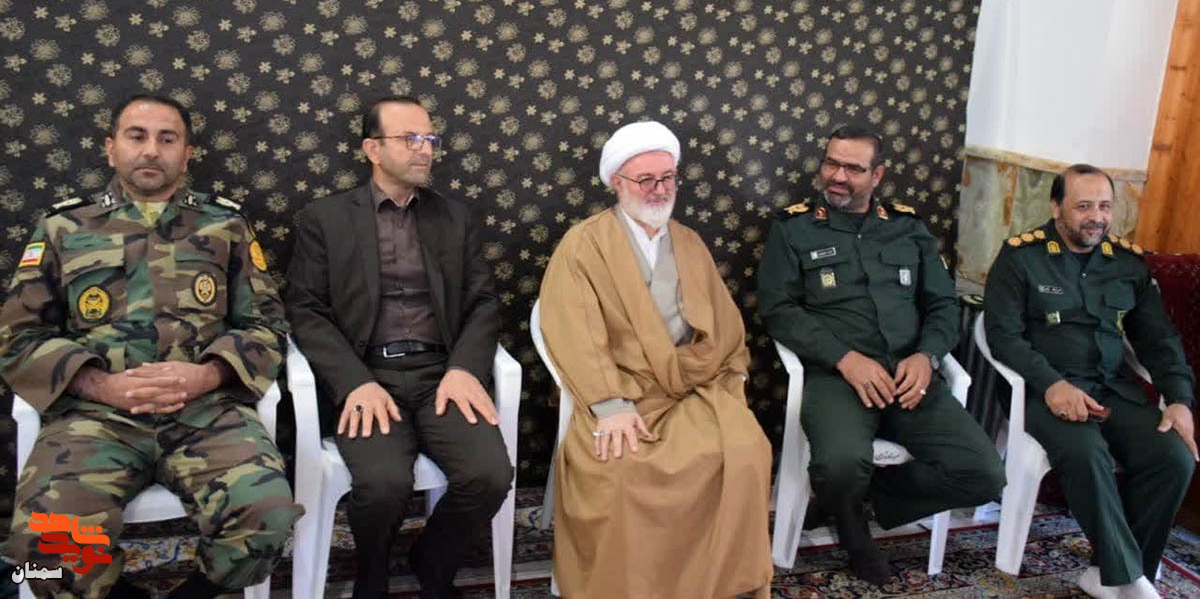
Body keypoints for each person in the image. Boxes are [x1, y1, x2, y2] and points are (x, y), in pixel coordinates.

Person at [0, 94, 301, 599]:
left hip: (205, 412)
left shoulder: (224, 224)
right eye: (137, 136)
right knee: (43, 549)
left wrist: (208, 375)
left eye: (168, 139)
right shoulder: (63, 227)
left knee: (268, 518)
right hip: (96, 418)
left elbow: (266, 324)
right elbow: (17, 336)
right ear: (111, 147)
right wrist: (101, 385)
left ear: (186, 154)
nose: (151, 150)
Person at [284, 95, 513, 599]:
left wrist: (464, 369)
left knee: (490, 475)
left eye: (429, 138)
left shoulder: (455, 218)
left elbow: (483, 302)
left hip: (441, 374)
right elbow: (306, 309)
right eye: (409, 139)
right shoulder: (325, 219)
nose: (424, 149)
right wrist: (354, 383)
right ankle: (372, 574)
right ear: (372, 149)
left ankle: (432, 562)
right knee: (383, 485)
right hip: (369, 375)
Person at [757, 125, 1004, 585]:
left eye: (853, 168)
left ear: (877, 175)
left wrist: (927, 356)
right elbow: (778, 310)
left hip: (911, 379)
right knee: (838, 464)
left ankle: (853, 500)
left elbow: (943, 305)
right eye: (831, 163)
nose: (838, 176)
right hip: (837, 379)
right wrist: (844, 358)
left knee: (985, 474)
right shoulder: (793, 229)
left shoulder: (909, 228)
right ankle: (854, 532)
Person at [537, 120, 773, 599]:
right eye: (645, 180)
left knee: (745, 449)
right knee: (622, 471)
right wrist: (610, 405)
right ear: (617, 183)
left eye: (667, 178)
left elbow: (724, 326)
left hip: (691, 386)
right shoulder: (583, 245)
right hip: (621, 392)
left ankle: (714, 582)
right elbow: (574, 332)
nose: (659, 190)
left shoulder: (688, 242)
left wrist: (718, 377)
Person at [983, 164, 1196, 599]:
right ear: (1056, 207)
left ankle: (1112, 573)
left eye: (1104, 206)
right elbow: (1003, 337)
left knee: (1174, 457)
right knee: (1086, 451)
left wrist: (1179, 399)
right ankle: (1130, 582)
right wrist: (1052, 384)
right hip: (1043, 392)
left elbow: (1158, 340)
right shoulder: (1021, 258)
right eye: (1083, 206)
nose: (1096, 217)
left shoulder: (1127, 264)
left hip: (1111, 389)